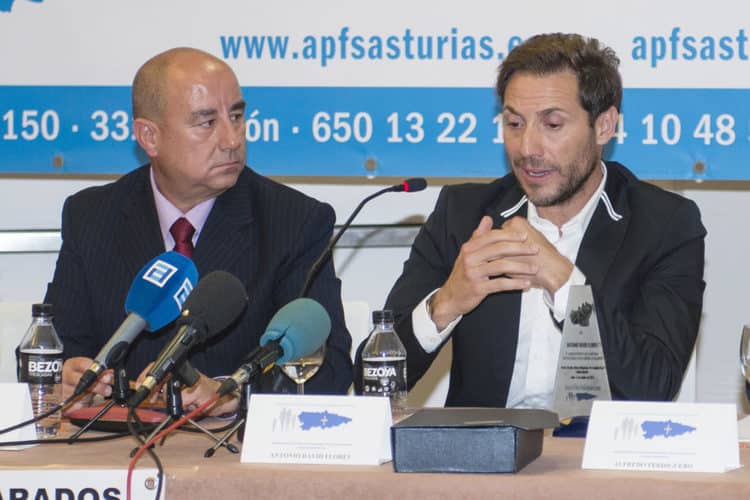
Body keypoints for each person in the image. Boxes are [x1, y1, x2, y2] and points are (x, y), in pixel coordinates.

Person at [377, 33, 706, 408]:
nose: (528, 148)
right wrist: (446, 302)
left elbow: (653, 385)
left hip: (594, 457)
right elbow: (373, 377)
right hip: (480, 456)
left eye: (552, 125)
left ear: (604, 126)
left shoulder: (663, 224)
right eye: (514, 124)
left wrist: (567, 285)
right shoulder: (463, 214)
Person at [46, 47, 353, 415]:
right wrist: (65, 374)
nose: (232, 139)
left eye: (236, 116)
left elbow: (328, 369)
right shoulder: (92, 216)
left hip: (229, 455)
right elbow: (52, 348)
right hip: (112, 450)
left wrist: (233, 395)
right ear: (149, 137)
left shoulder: (294, 221)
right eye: (207, 123)